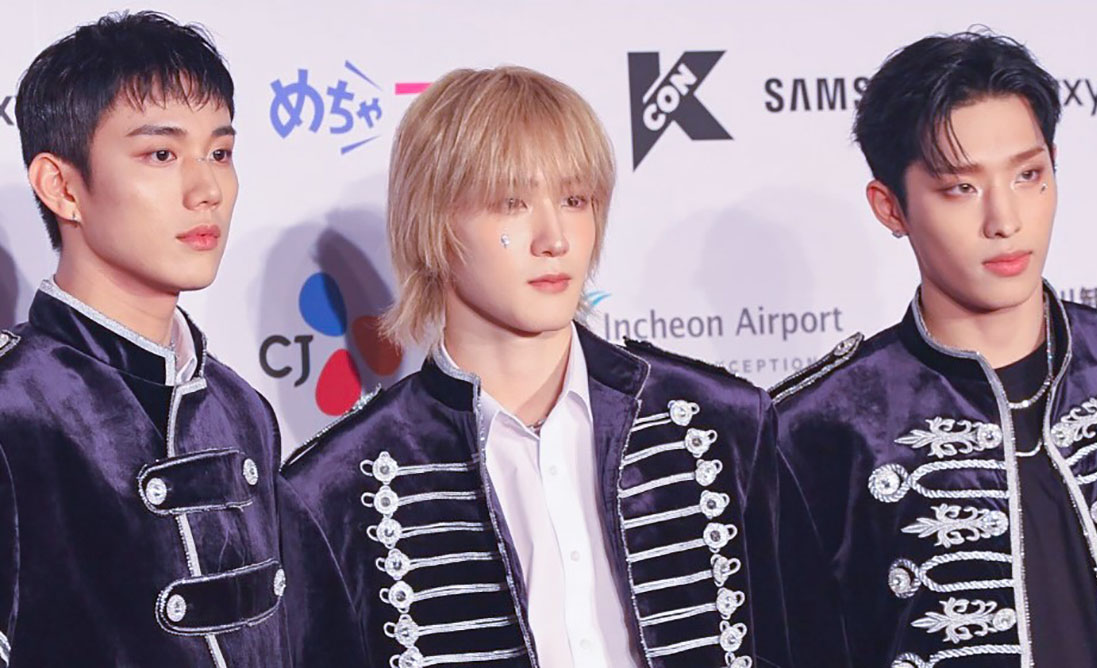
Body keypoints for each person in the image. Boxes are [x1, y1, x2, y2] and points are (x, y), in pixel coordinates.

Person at [279, 65, 831, 668]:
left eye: (574, 200)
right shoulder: (336, 488)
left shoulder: (725, 424)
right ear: (432, 223)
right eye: (510, 203)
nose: (555, 238)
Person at [773, 29, 1097, 667]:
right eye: (961, 188)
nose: (1005, 220)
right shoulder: (815, 431)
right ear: (890, 208)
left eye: (1028, 175)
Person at [0, 11, 287, 666]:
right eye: (161, 155)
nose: (206, 189)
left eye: (220, 153)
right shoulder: (14, 412)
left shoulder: (243, 410)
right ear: (62, 187)